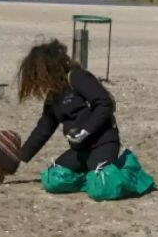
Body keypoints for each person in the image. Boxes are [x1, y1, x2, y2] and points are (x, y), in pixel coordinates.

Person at [17, 39, 120, 174]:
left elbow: (105, 103)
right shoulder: (53, 95)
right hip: (80, 150)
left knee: (102, 184)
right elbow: (44, 128)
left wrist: (86, 130)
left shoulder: (77, 77)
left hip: (103, 143)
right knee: (54, 178)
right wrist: (19, 158)